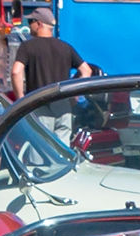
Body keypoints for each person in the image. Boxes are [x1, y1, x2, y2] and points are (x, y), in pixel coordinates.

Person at [12, 7, 92, 144]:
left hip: (38, 104)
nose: (29, 25)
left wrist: (20, 100)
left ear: (39, 24)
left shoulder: (27, 47)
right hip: (63, 105)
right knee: (62, 150)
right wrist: (75, 94)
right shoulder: (65, 47)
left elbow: (16, 71)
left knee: (40, 147)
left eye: (31, 21)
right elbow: (86, 71)